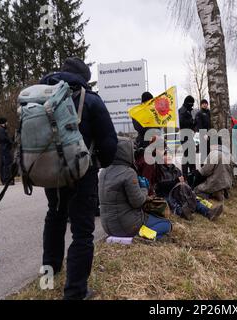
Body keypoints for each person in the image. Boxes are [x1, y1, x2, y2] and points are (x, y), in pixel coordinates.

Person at [40, 57, 118, 300]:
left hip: (51, 171)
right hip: (82, 173)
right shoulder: (90, 100)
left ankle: (49, 274)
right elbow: (109, 143)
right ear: (83, 78)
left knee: (55, 215)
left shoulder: (42, 96)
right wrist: (100, 163)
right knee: (82, 232)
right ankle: (75, 291)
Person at [99, 138, 172, 239]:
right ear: (127, 152)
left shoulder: (104, 171)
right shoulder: (129, 172)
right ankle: (142, 237)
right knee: (166, 224)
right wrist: (144, 188)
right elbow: (137, 202)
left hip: (108, 227)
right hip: (127, 226)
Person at [155, 151, 223, 221]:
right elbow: (161, 186)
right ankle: (183, 213)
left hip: (178, 192)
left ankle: (209, 212)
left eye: (170, 155)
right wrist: (176, 182)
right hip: (166, 194)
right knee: (171, 202)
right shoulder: (159, 170)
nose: (168, 157)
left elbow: (183, 182)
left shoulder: (176, 170)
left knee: (191, 198)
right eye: (165, 155)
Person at [178, 95, 196, 179]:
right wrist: (192, 122)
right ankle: (186, 175)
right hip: (185, 135)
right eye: (191, 104)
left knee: (190, 155)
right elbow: (182, 123)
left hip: (187, 135)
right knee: (187, 155)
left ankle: (191, 173)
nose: (192, 106)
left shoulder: (186, 110)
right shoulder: (183, 111)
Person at [0, 117, 14, 185]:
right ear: (3, 123)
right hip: (4, 148)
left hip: (3, 148)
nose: (7, 123)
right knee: (7, 164)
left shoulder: (1, 129)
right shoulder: (0, 129)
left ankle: (4, 180)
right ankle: (6, 180)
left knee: (4, 164)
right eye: (6, 122)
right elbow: (3, 138)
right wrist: (10, 141)